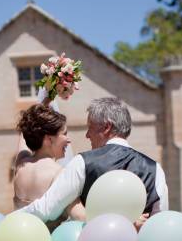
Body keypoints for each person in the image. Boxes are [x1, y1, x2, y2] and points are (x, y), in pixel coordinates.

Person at [21, 97, 168, 229]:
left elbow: (47, 208)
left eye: (90, 127)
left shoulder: (83, 162)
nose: (87, 135)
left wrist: (11, 218)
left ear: (106, 127)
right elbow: (159, 223)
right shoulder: (155, 168)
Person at [13, 104, 84, 226]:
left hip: (17, 238)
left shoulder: (21, 163)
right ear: (48, 139)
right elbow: (79, 216)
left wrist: (46, 99)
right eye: (64, 133)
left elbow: (24, 134)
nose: (68, 140)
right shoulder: (59, 174)